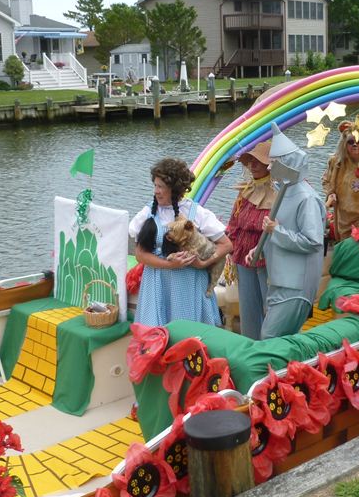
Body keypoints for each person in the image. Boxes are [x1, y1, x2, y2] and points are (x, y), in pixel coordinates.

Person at [129, 158, 233, 327]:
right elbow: (140, 255)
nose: (156, 191)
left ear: (175, 189)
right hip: (157, 284)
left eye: (161, 186)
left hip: (189, 285)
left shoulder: (196, 213)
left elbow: (226, 245)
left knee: (190, 338)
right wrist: (170, 265)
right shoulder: (148, 212)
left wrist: (203, 263)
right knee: (157, 339)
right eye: (155, 185)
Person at [246, 124, 326, 339]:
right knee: (281, 340)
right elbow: (278, 231)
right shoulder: (284, 192)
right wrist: (260, 248)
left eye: (274, 163)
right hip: (279, 279)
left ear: (288, 164)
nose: (270, 169)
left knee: (270, 338)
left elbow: (313, 241)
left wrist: (276, 231)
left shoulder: (306, 198)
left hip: (296, 284)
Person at [224, 141, 274, 339]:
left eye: (257, 161)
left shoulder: (280, 191)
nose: (252, 165)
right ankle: (251, 342)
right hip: (243, 253)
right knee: (248, 305)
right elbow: (234, 221)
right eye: (250, 161)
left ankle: (270, 345)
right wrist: (230, 242)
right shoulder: (245, 191)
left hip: (267, 253)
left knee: (269, 305)